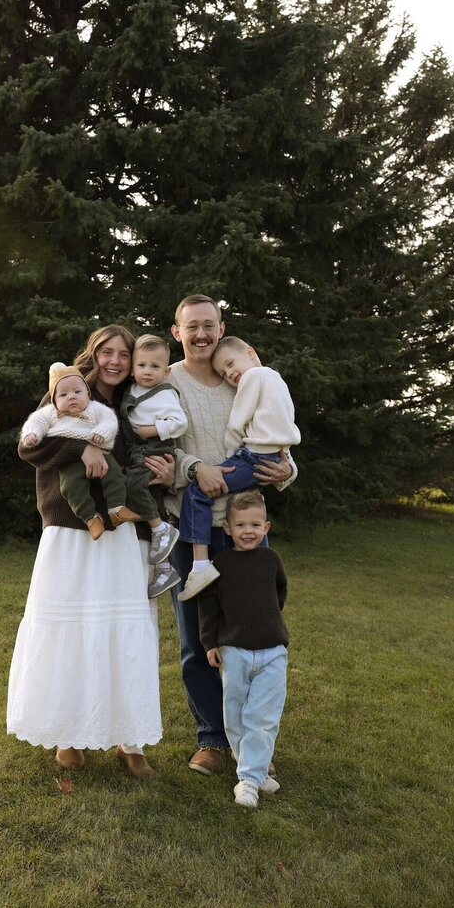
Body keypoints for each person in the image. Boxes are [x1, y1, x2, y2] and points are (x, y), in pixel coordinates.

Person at [143, 294, 295, 776]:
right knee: (197, 639)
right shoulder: (168, 383)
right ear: (177, 332)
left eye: (210, 325)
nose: (202, 334)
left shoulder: (243, 377)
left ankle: (255, 749)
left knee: (252, 638)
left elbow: (277, 436)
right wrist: (194, 468)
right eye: (193, 327)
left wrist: (287, 471)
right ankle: (211, 738)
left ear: (222, 327)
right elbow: (161, 448)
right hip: (192, 533)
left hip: (244, 529)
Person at [7, 325, 161, 779]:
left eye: (124, 354)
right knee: (70, 627)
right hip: (69, 527)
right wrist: (83, 449)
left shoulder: (139, 398)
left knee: (124, 630)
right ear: (93, 355)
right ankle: (68, 734)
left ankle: (129, 738)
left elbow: (148, 449)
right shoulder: (67, 388)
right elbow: (29, 445)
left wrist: (165, 467)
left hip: (122, 527)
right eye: (106, 352)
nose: (115, 361)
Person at [177, 336, 300, 600]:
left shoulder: (253, 378)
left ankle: (200, 566)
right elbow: (282, 428)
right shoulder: (276, 380)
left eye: (232, 363)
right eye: (224, 371)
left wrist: (235, 450)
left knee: (198, 492)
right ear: (178, 332)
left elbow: (238, 420)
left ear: (251, 352)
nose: (231, 373)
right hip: (266, 456)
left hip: (251, 460)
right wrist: (285, 458)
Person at [198, 491, 289, 808]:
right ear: (227, 529)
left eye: (255, 524)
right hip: (235, 652)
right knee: (235, 716)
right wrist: (210, 642)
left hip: (272, 651)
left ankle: (248, 781)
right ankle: (254, 768)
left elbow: (280, 591)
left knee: (262, 716)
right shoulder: (220, 564)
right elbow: (208, 605)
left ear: (266, 527)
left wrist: (267, 618)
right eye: (240, 525)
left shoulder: (271, 560)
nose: (248, 531)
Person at [20, 361, 140, 540]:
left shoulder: (95, 408)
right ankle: (90, 518)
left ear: (87, 393)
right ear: (54, 399)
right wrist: (32, 434)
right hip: (70, 460)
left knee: (114, 475)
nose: (72, 397)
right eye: (64, 395)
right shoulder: (51, 412)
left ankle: (117, 508)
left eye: (77, 392)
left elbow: (109, 421)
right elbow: (35, 422)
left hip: (101, 451)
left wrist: (102, 433)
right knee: (71, 486)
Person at [119, 334, 186, 598]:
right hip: (138, 449)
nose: (148, 371)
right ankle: (165, 567)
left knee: (134, 485)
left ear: (166, 371)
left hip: (155, 447)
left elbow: (180, 422)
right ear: (133, 368)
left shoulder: (165, 394)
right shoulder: (132, 390)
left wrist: (152, 430)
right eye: (142, 365)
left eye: (155, 367)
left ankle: (161, 529)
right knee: (145, 496)